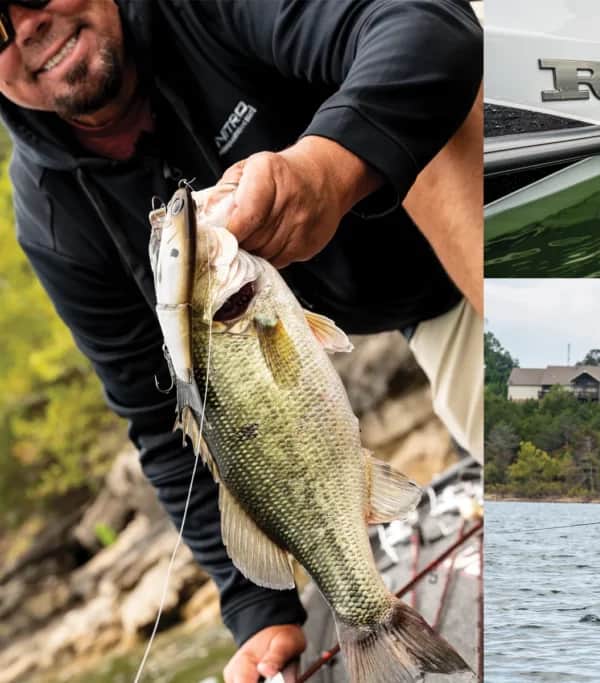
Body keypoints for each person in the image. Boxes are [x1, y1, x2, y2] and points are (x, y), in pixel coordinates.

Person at [0, 1, 482, 681]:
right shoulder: (52, 215)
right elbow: (161, 419)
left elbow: (428, 25)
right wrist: (259, 608)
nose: (26, 25)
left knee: (439, 78)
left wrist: (328, 169)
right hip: (413, 306)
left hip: (494, 185)